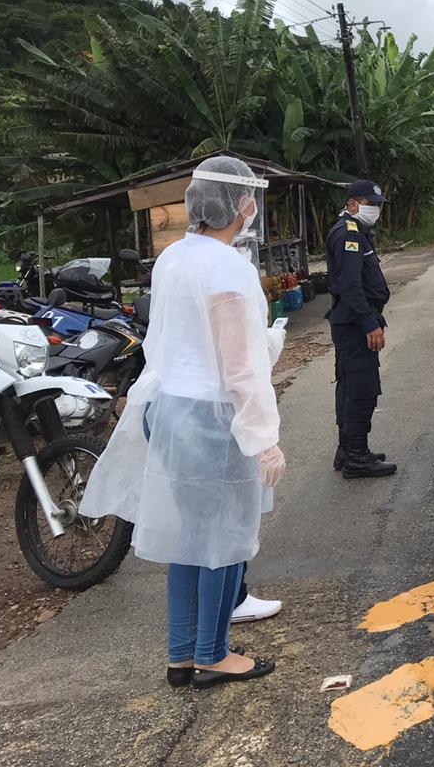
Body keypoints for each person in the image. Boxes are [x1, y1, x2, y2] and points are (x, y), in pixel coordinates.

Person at [79, 155, 283, 689]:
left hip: (169, 406)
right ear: (241, 205)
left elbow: (168, 342)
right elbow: (240, 366)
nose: (252, 208)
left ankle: (181, 653)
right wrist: (264, 439)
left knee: (191, 539)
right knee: (223, 540)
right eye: (250, 199)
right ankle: (213, 654)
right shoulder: (229, 267)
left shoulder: (172, 259)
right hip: (213, 416)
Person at [325, 180, 398, 478]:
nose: (376, 210)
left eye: (379, 205)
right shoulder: (349, 235)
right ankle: (356, 457)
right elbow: (351, 286)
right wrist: (369, 324)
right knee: (363, 390)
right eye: (372, 205)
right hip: (356, 324)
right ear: (353, 204)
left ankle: (347, 449)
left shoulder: (355, 231)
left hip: (350, 321)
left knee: (348, 385)